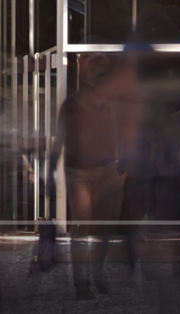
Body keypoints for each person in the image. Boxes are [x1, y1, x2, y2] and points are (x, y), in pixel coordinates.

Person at [52, 54, 125, 300]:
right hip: (77, 170)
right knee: (81, 226)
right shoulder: (71, 105)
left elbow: (121, 134)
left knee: (104, 228)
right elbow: (60, 137)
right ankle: (81, 282)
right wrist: (51, 170)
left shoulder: (113, 105)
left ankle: (98, 274)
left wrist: (122, 164)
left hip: (107, 169)